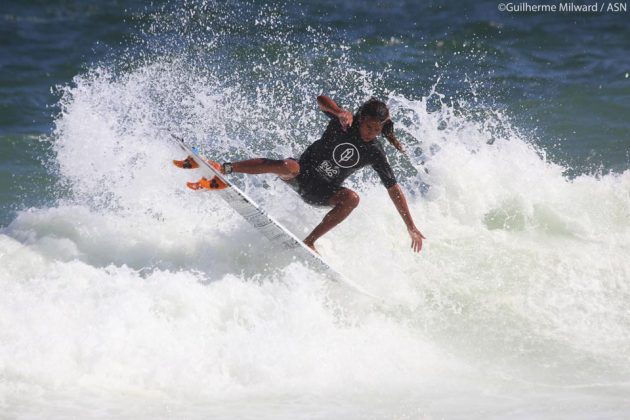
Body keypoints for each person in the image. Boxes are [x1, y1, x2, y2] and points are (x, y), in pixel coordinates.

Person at [174, 95, 425, 253]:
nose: (371, 133)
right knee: (287, 166)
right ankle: (223, 168)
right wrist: (338, 111)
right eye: (368, 127)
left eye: (377, 130)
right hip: (301, 175)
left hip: (323, 194)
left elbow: (393, 188)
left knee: (352, 199)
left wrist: (410, 226)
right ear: (360, 119)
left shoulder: (375, 152)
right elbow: (321, 99)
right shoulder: (344, 122)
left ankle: (309, 241)